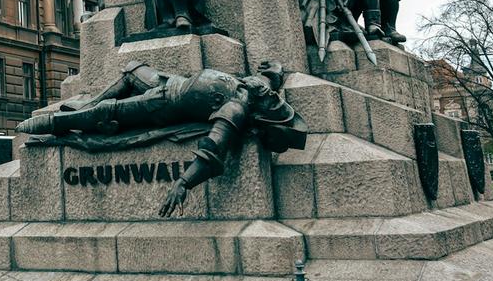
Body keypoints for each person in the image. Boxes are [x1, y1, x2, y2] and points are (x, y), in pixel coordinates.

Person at [16, 60, 306, 217]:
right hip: (168, 82)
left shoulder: (236, 109)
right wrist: (274, 72)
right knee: (131, 69)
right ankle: (89, 103)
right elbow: (274, 73)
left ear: (261, 112)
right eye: (272, 95)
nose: (269, 94)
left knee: (106, 112)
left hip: (161, 106)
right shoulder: (256, 88)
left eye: (271, 100)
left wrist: (182, 183)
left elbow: (212, 151)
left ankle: (56, 122)